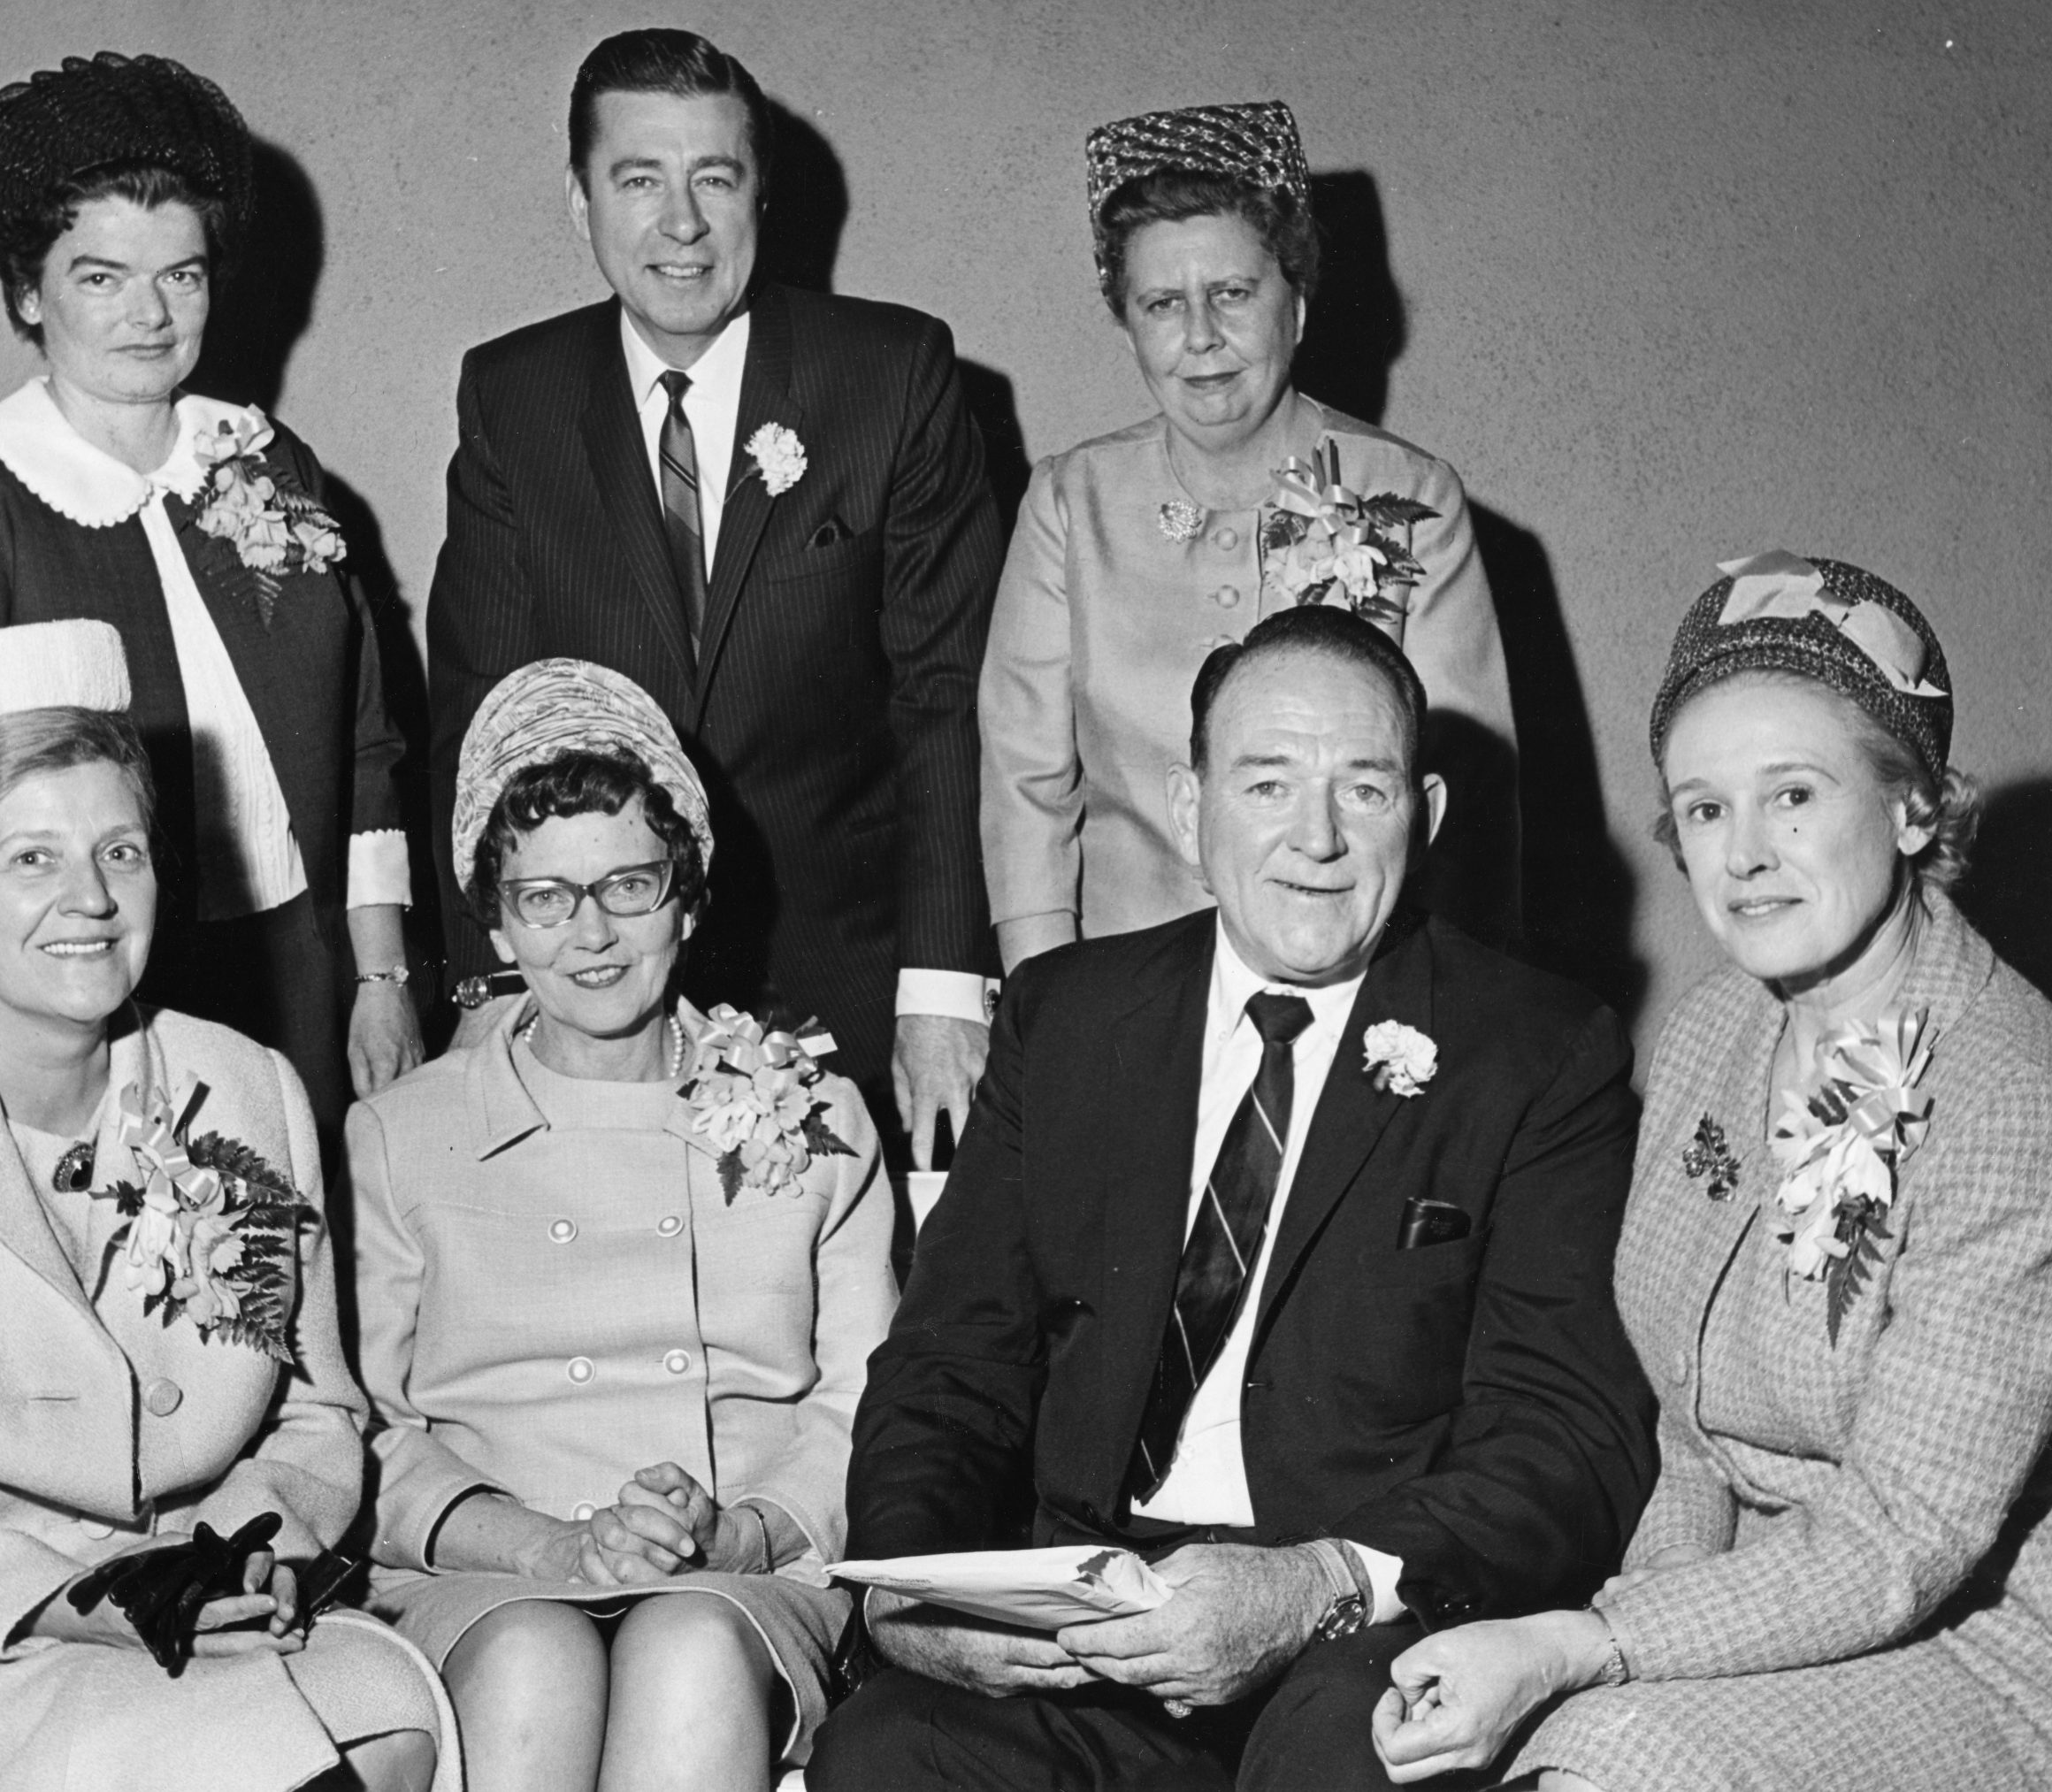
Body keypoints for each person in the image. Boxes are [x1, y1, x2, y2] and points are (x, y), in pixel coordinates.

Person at [810, 606, 1652, 1792]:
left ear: (1429, 813)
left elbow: (1569, 1432)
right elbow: (951, 1360)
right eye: (1268, 783)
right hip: (1092, 1616)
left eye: (1364, 788)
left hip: (1353, 1625)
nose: (1316, 836)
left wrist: (1318, 1583)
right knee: (887, 1750)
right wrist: (910, 1581)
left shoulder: (1536, 1053)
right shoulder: (1068, 1019)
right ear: (1191, 805)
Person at [1370, 554, 2052, 1791]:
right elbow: (1694, 1441)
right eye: (1703, 807)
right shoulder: (1714, 1029)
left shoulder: (2014, 1098)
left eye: (1792, 793)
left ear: (1912, 807)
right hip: (1761, 1602)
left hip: (1991, 1636)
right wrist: (1625, 1641)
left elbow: (1905, 1536)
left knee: (1609, 1754)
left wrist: (1592, 1649)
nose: (1742, 854)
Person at [0, 620, 449, 1791]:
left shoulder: (248, 1092)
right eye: (32, 858)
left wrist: (238, 1548)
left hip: (191, 1620)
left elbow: (312, 1410)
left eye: (124, 850)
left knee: (390, 1708)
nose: (91, 898)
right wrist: (59, 1593)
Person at [425, 28, 1002, 1161]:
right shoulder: (512, 395)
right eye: (638, 179)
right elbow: (478, 709)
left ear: (760, 199)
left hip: (853, 972)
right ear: (581, 204)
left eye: (713, 179)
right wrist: (495, 973)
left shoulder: (891, 374)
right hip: (597, 982)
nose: (678, 223)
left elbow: (950, 696)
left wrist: (942, 986)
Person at [352, 658, 899, 1791]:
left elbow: (867, 1407)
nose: (591, 934)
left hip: (744, 1567)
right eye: (545, 897)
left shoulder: (816, 1111)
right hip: (490, 1569)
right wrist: (546, 1547)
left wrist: (741, 1533)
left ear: (688, 895)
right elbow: (371, 1434)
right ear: (497, 920)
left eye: (629, 886)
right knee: (536, 1654)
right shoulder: (403, 1134)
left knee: (689, 1641)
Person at [0, 50, 421, 1146]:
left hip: (309, 973)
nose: (151, 315)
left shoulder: (267, 464)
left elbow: (367, 742)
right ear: (30, 291)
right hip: (92, 998)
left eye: (183, 273)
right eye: (101, 276)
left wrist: (382, 971)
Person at [980, 101, 1518, 973]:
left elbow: (1471, 813)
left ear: (1295, 304)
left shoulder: (1411, 495)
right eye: (1161, 303)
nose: (1199, 337)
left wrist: (1441, 1024)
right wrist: (1047, 1011)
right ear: (1128, 327)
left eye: (1231, 293)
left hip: (1359, 985)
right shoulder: (1069, 501)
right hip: (1126, 991)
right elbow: (1026, 790)